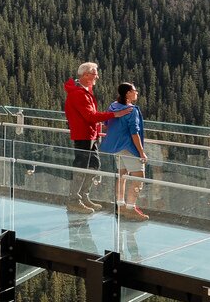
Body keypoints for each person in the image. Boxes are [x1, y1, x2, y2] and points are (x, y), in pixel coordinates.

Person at [62, 62, 128, 211]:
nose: (97, 76)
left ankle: (83, 196)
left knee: (93, 165)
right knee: (82, 166)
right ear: (86, 75)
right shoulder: (79, 93)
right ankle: (74, 200)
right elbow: (90, 116)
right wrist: (114, 114)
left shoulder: (84, 91)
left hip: (90, 134)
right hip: (83, 135)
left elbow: (89, 116)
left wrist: (100, 125)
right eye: (94, 73)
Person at [99, 82, 149, 218]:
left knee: (121, 175)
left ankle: (120, 205)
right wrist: (141, 152)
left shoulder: (113, 106)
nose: (136, 93)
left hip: (117, 147)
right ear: (128, 93)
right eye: (135, 90)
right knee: (139, 178)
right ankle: (130, 208)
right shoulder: (131, 111)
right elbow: (135, 133)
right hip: (129, 148)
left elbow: (107, 124)